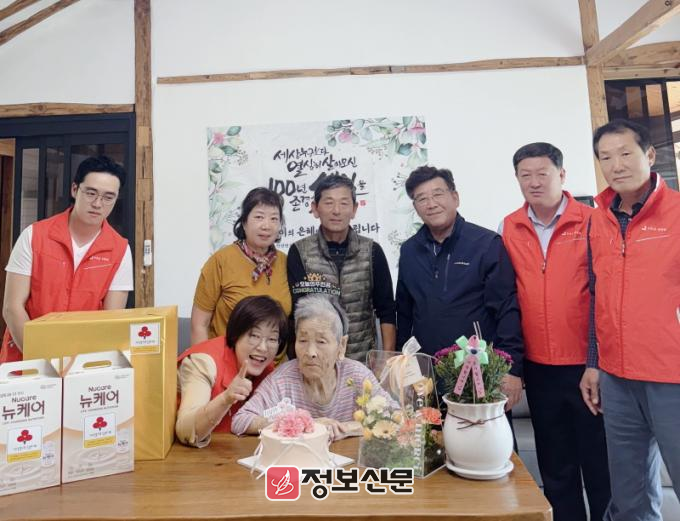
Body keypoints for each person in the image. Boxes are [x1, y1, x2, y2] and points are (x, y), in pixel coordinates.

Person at [501, 143, 609, 521]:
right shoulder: (509, 226)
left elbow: (602, 294)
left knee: (600, 463)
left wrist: (596, 361)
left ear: (561, 175)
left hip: (587, 366)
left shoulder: (593, 221)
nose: (534, 182)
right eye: (525, 175)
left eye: (542, 173)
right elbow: (508, 298)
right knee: (555, 466)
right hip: (539, 368)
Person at [580, 119, 680, 521]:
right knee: (629, 495)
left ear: (649, 155)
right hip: (617, 377)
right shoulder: (598, 220)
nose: (616, 165)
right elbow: (596, 296)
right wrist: (594, 362)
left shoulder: (677, 213)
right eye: (606, 157)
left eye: (625, 153)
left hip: (671, 374)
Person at [395, 166, 524, 410]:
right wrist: (404, 367)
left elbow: (507, 309)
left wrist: (513, 368)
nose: (431, 204)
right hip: (427, 375)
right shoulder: (409, 250)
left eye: (438, 194)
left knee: (484, 434)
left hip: (480, 371)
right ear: (415, 207)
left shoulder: (486, 244)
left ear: (455, 197)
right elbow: (404, 313)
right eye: (422, 198)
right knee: (430, 433)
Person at [1, 156, 133, 363]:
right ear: (74, 189)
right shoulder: (34, 236)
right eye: (91, 193)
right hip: (26, 358)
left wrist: (78, 365)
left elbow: (110, 320)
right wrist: (41, 359)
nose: (98, 204)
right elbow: (12, 307)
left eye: (108, 197)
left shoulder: (120, 250)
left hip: (83, 362)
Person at [231, 294, 393, 440]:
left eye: (321, 341)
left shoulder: (357, 375)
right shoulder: (282, 379)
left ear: (341, 346)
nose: (310, 352)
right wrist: (307, 424)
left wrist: (347, 428)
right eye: (302, 340)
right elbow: (240, 420)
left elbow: (396, 416)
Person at [287, 174, 396, 362]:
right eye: (329, 203)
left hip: (363, 361)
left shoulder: (372, 251)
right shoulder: (299, 252)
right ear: (315, 208)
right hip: (317, 360)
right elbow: (296, 314)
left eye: (344, 203)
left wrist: (386, 361)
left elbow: (386, 310)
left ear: (354, 209)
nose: (336, 211)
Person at [176, 295, 288, 447]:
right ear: (236, 335)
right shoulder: (203, 363)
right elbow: (185, 431)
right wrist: (226, 398)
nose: (263, 348)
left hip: (233, 452)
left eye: (272, 339)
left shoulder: (266, 369)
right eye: (254, 336)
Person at [191, 188, 291, 346]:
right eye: (259, 217)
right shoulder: (221, 261)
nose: (266, 225)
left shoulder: (286, 262)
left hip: (274, 359)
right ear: (244, 222)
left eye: (274, 218)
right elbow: (199, 325)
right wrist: (204, 360)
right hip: (226, 358)